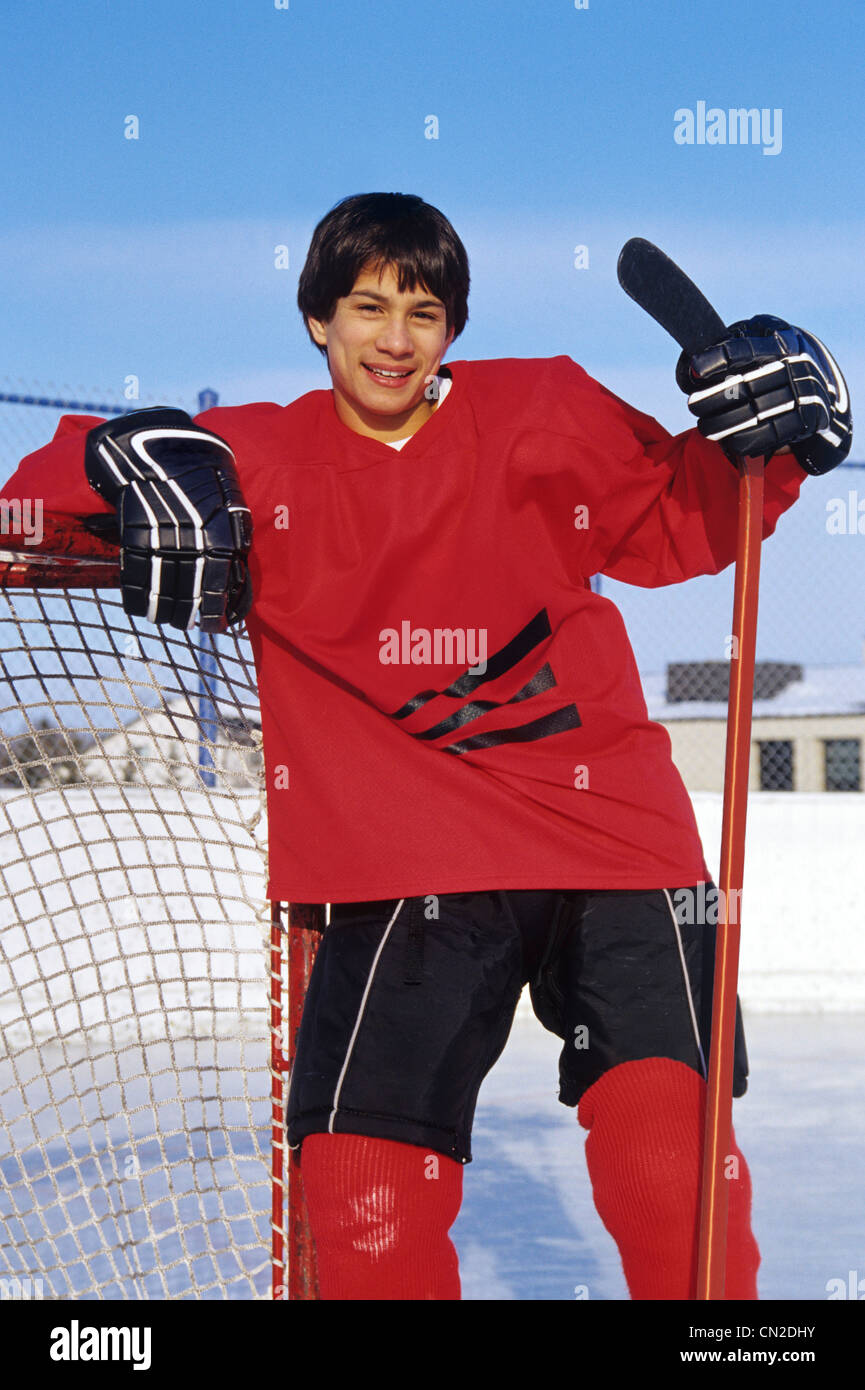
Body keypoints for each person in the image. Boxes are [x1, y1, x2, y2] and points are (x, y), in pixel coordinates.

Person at [1, 192, 851, 1301]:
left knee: (669, 1168)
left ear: (452, 328)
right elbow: (27, 508)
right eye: (366, 307)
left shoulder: (540, 405)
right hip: (405, 870)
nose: (394, 339)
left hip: (620, 846)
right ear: (318, 319)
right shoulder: (252, 456)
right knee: (363, 1196)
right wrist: (125, 451)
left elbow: (686, 518)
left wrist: (776, 436)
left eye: (423, 311)